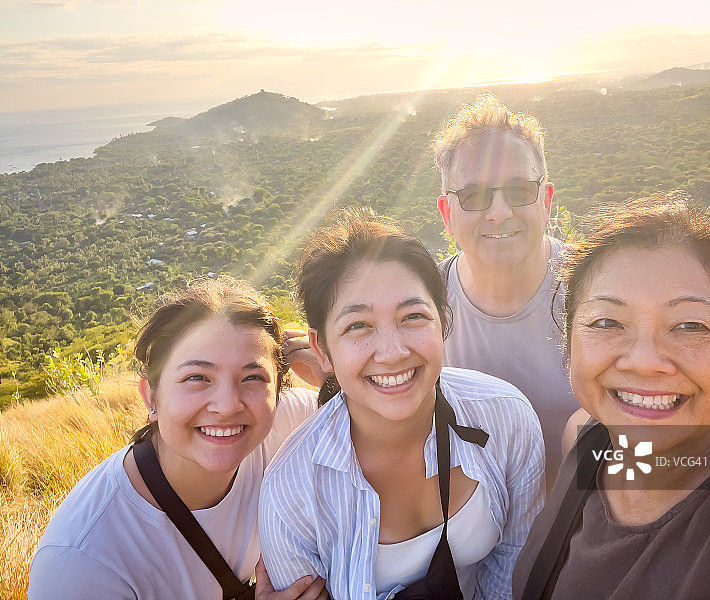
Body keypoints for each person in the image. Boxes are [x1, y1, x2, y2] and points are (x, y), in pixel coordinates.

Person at [512, 193, 710, 600]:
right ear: (568, 346)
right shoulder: (586, 438)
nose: (645, 363)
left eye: (690, 326)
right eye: (607, 322)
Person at [259, 209, 545, 600]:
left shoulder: (504, 417)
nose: (393, 352)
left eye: (412, 316)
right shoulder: (293, 493)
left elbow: (512, 566)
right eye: (358, 325)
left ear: (442, 323)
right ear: (322, 350)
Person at [28, 276, 327, 600]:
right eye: (197, 377)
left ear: (278, 390)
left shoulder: (287, 423)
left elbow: (365, 434)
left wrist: (333, 381)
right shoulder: (83, 561)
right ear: (151, 396)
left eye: (252, 377)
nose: (228, 406)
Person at [433, 93, 578, 491]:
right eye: (474, 196)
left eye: (519, 190)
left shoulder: (601, 291)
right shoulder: (423, 306)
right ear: (447, 213)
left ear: (546, 201)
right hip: (475, 526)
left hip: (591, 520)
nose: (499, 212)